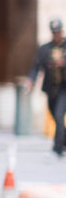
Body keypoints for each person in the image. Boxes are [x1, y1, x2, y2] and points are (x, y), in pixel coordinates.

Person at [27, 18, 66, 156]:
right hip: (51, 89)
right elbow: (36, 67)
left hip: (64, 88)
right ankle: (63, 140)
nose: (57, 35)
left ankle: (58, 147)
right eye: (54, 32)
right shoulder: (45, 49)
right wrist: (31, 81)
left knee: (59, 115)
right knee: (55, 116)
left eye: (58, 32)